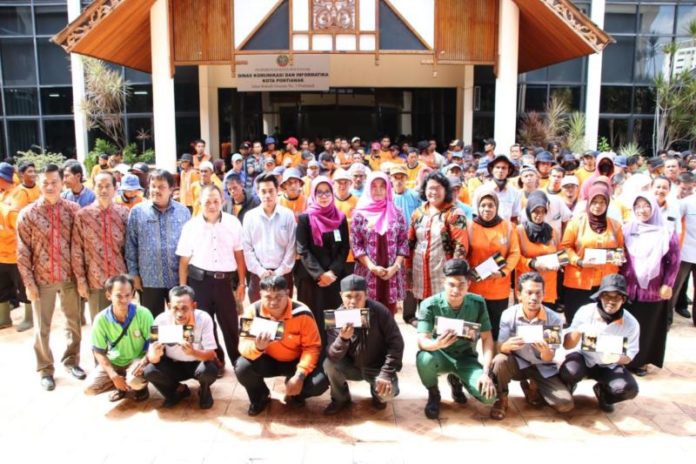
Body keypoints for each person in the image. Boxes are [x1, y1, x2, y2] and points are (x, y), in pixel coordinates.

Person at [16, 164, 85, 390]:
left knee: (73, 322)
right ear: (39, 183)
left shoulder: (73, 211)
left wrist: (82, 278)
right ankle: (45, 369)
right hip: (42, 279)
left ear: (62, 182)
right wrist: (28, 282)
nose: (50, 186)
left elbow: (80, 246)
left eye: (54, 182)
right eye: (45, 182)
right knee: (42, 326)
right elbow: (23, 251)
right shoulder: (28, 214)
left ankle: (71, 360)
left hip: (69, 277)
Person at [235, 275, 328, 416]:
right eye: (268, 297)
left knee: (319, 383)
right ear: (260, 295)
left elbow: (312, 347)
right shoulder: (253, 311)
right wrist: (258, 347)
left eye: (279, 296)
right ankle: (260, 397)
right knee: (242, 367)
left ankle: (297, 394)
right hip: (267, 359)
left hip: (295, 361)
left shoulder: (302, 312)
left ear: (288, 293)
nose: (273, 302)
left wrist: (300, 375)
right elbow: (243, 346)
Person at [416, 259, 497, 419]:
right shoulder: (429, 305)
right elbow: (422, 341)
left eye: (461, 284)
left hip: (465, 358)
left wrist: (486, 373)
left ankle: (457, 379)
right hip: (440, 354)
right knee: (424, 358)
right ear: (443, 283)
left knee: (489, 397)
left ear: (468, 283)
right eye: (451, 284)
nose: (456, 290)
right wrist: (437, 344)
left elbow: (487, 339)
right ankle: (434, 393)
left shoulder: (478, 303)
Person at [177, 184, 245, 368]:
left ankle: (238, 361)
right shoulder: (190, 227)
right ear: (200, 202)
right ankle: (216, 360)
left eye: (216, 201)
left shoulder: (233, 223)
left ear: (223, 201)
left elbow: (239, 255)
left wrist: (242, 283)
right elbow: (184, 261)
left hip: (225, 282)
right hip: (200, 283)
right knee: (206, 324)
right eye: (208, 201)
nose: (212, 205)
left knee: (230, 323)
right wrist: (184, 289)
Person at [490, 272, 573, 420]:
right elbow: (500, 347)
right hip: (518, 364)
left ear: (544, 294)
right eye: (529, 293)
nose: (534, 298)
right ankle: (501, 398)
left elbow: (549, 357)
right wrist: (506, 346)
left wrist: (545, 351)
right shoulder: (508, 315)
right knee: (499, 361)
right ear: (519, 294)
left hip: (543, 366)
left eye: (538, 293)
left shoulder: (553, 319)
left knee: (565, 404)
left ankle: (533, 388)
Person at [323, 275, 405, 415]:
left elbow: (396, 344)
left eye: (358, 296)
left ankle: (377, 393)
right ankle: (340, 398)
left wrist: (385, 373)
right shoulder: (336, 317)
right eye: (348, 296)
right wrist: (342, 339)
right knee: (328, 365)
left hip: (377, 367)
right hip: (351, 366)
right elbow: (332, 355)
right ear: (341, 295)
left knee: (387, 394)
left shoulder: (380, 312)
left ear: (367, 295)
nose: (353, 301)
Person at [560, 274, 640, 412]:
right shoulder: (586, 312)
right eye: (607, 296)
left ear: (624, 299)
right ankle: (570, 384)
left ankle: (604, 393)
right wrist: (579, 331)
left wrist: (616, 358)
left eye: (616, 297)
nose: (611, 301)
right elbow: (567, 345)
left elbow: (630, 355)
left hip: (609, 365)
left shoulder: (631, 323)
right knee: (569, 371)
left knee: (629, 389)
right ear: (600, 296)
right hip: (582, 358)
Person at [621, 194, 679, 376]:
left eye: (646, 206)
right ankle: (623, 359)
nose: (642, 210)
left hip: (652, 290)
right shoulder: (627, 229)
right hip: (629, 288)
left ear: (653, 208)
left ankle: (641, 361)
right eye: (637, 206)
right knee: (625, 325)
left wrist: (668, 284)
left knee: (647, 326)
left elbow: (674, 261)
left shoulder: (666, 232)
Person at [406, 172, 468, 326]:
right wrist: (408, 270)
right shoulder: (418, 213)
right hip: (420, 273)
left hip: (443, 273)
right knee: (426, 315)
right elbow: (410, 242)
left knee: (445, 319)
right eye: (430, 188)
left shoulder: (454, 213)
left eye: (438, 188)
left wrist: (454, 274)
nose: (433, 192)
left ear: (445, 190)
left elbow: (461, 246)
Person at [126, 169, 191, 317]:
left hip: (176, 278)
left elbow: (190, 245)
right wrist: (134, 274)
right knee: (152, 323)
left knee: (179, 320)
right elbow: (131, 246)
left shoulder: (183, 212)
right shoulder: (137, 212)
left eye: (161, 186)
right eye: (153, 186)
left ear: (171, 189)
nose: (156, 190)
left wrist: (186, 278)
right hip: (149, 280)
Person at [143, 285, 219, 409]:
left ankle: (204, 390)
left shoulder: (204, 318)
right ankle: (177, 391)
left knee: (209, 370)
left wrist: (193, 352)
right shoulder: (160, 320)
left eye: (184, 308)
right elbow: (152, 357)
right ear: (168, 306)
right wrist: (155, 354)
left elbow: (211, 353)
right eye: (175, 308)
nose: (180, 314)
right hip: (172, 364)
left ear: (194, 306)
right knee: (150, 371)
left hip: (196, 363)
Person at [295, 176, 350, 343]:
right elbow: (302, 249)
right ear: (313, 194)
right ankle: (313, 353)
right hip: (312, 279)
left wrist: (332, 272)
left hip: (334, 278)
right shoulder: (305, 218)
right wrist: (320, 275)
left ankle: (333, 352)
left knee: (333, 318)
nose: (324, 196)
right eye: (319, 192)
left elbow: (344, 247)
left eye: (327, 192)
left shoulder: (340, 218)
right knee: (312, 317)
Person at [560, 183, 624, 324]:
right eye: (594, 201)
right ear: (588, 202)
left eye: (602, 202)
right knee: (576, 322)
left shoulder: (615, 225)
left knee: (600, 323)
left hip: (605, 285)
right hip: (578, 283)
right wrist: (579, 261)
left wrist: (617, 258)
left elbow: (621, 250)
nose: (598, 206)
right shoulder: (576, 222)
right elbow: (564, 249)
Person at [72, 171, 130, 322]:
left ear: (114, 188)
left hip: (121, 281)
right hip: (95, 280)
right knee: (99, 324)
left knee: (123, 322)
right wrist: (81, 281)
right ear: (93, 188)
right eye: (99, 186)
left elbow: (130, 249)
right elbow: (77, 251)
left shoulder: (124, 213)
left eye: (107, 186)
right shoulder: (83, 215)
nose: (103, 190)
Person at [84, 274, 152, 402]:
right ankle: (120, 385)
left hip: (137, 360)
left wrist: (144, 362)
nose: (124, 300)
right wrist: (113, 375)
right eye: (118, 296)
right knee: (89, 389)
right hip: (114, 361)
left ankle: (139, 387)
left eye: (127, 295)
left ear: (133, 294)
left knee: (135, 381)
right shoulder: (100, 319)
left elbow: (153, 343)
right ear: (108, 295)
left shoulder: (144, 314)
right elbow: (98, 351)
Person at [351, 172, 409, 316]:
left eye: (382, 186)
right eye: (374, 186)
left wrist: (394, 267)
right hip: (368, 271)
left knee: (388, 315)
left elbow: (403, 242)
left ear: (388, 189)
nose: (378, 190)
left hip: (392, 273)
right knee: (366, 313)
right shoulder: (359, 214)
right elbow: (356, 245)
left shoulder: (397, 212)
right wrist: (372, 267)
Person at [466, 187, 521, 340]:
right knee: (471, 332)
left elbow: (514, 253)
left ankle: (493, 362)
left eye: (491, 205)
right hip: (475, 288)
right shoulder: (470, 226)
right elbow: (463, 252)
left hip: (498, 288)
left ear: (497, 207)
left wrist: (504, 271)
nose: (487, 209)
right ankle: (470, 361)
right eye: (483, 205)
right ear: (478, 207)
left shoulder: (508, 227)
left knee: (496, 331)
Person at [242, 172, 297, 301]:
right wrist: (261, 271)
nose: (267, 195)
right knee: (259, 316)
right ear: (257, 192)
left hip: (284, 275)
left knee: (284, 315)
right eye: (263, 191)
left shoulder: (287, 215)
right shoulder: (250, 217)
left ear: (277, 191)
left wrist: (279, 272)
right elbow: (247, 248)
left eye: (271, 191)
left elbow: (292, 247)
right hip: (258, 275)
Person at [515, 191, 562, 309]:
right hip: (528, 287)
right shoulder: (519, 231)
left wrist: (559, 263)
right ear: (529, 211)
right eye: (535, 211)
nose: (539, 215)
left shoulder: (552, 231)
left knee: (546, 322)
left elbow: (561, 254)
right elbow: (514, 257)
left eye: (542, 211)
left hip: (548, 286)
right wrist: (532, 263)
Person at [0, 163, 31, 331]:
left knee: (22, 286)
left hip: (15, 252)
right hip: (1, 253)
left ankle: (29, 317)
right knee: (2, 287)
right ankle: (4, 318)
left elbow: (16, 222)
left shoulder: (19, 193)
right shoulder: (3, 195)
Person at [333, 169, 358, 274]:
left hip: (352, 252)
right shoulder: (329, 201)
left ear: (350, 183)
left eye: (345, 182)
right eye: (339, 182)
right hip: (334, 252)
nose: (342, 186)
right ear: (333, 184)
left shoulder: (357, 202)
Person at [487, 155, 521, 222]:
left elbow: (514, 217)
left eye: (504, 168)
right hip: (487, 230)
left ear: (509, 170)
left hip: (506, 230)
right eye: (497, 167)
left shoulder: (514, 192)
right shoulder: (482, 190)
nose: (500, 170)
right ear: (492, 169)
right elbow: (476, 215)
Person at [390, 164, 421, 228]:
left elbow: (420, 216)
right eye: (395, 177)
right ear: (390, 178)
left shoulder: (415, 195)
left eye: (401, 177)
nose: (399, 181)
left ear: (406, 178)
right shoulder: (387, 196)